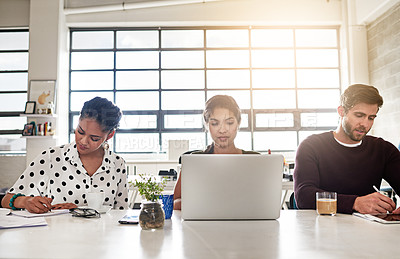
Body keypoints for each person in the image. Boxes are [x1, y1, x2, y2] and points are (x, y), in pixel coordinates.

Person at [1, 97, 128, 213]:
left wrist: (77, 210)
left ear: (110, 135)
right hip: (58, 237)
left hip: (104, 237)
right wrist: (25, 201)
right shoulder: (51, 157)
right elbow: (6, 200)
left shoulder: (117, 163)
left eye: (94, 138)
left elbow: (121, 213)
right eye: (80, 131)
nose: (83, 141)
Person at [294, 84, 400, 214]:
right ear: (341, 111)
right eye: (359, 115)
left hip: (369, 230)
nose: (365, 124)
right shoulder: (311, 146)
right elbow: (303, 196)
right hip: (323, 228)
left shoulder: (384, 150)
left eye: (371, 118)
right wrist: (355, 203)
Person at [173, 95, 259, 210]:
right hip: (203, 225)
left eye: (229, 123)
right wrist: (206, 202)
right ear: (207, 125)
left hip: (245, 224)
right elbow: (175, 202)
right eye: (215, 123)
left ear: (238, 123)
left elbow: (263, 201)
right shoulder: (194, 161)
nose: (222, 130)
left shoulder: (255, 160)